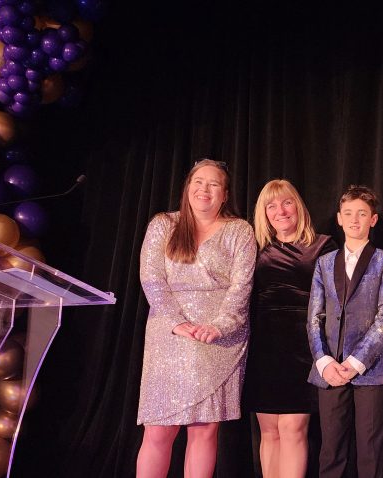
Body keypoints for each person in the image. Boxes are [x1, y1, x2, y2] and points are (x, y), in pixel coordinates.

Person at [135, 159, 256, 478]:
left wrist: (219, 326)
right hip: (169, 336)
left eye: (214, 184)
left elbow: (241, 286)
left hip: (218, 341)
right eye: (198, 182)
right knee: (158, 430)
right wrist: (176, 322)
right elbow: (151, 278)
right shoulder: (163, 224)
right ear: (188, 187)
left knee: (204, 430)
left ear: (225, 195)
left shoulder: (240, 230)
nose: (205, 189)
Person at [306, 185, 383, 478]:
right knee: (331, 450)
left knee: (372, 450)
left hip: (371, 369)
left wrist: (356, 361)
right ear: (339, 218)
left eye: (361, 213)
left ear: (373, 219)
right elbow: (314, 317)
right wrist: (324, 361)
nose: (354, 219)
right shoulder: (324, 263)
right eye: (348, 213)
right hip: (331, 370)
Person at [244, 179, 336, 478]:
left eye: (286, 202)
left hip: (304, 346)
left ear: (298, 206)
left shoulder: (323, 245)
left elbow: (341, 293)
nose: (280, 211)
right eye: (271, 206)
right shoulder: (257, 249)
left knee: (293, 428)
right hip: (265, 348)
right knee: (269, 431)